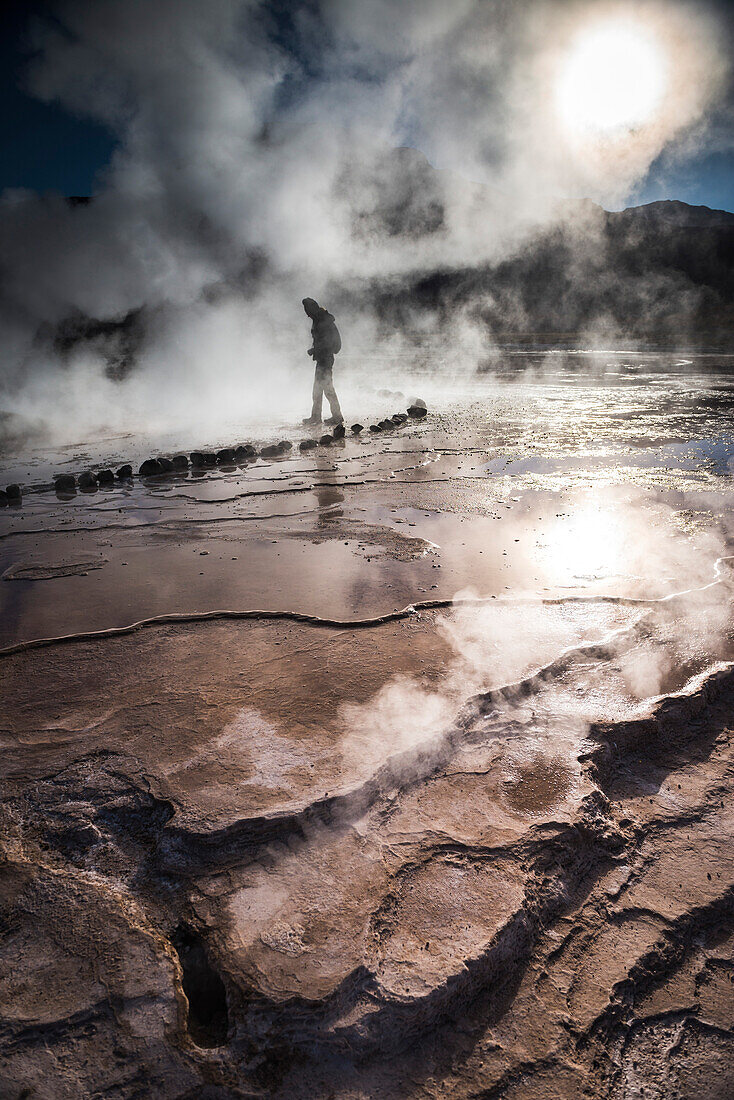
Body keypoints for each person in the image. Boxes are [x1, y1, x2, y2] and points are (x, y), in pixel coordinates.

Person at [301, 297, 343, 426]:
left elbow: (326, 342)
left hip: (325, 359)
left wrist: (314, 350)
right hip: (323, 358)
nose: (307, 315)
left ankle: (336, 416)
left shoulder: (322, 321)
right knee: (318, 389)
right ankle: (316, 416)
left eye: (307, 311)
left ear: (312, 309)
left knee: (327, 388)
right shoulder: (320, 319)